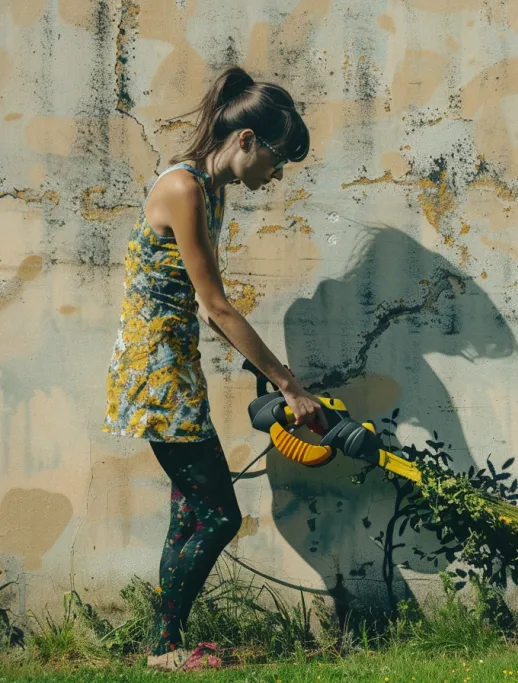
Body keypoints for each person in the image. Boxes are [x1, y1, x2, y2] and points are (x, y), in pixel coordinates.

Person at [102, 65, 328, 671]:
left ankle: (166, 645)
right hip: (158, 373)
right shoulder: (184, 188)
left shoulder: (209, 187)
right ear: (247, 140)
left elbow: (206, 308)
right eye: (277, 161)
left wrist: (263, 372)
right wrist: (288, 382)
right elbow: (216, 305)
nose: (277, 177)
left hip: (174, 365)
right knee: (217, 514)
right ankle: (164, 649)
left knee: (190, 511)